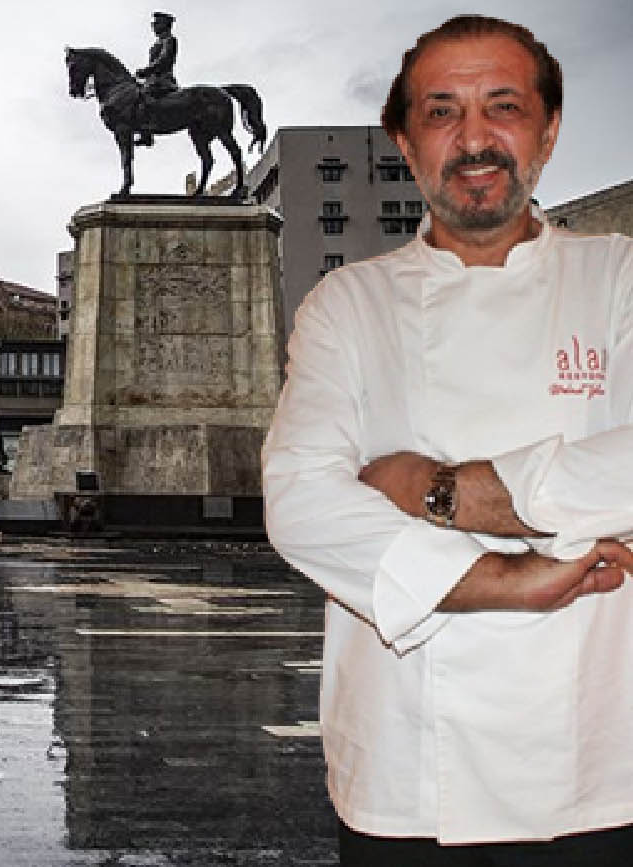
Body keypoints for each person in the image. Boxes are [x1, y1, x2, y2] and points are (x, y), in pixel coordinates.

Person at [263, 15, 633, 863]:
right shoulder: (345, 306)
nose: (474, 139)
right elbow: (300, 503)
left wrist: (447, 492)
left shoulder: (615, 275)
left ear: (547, 131)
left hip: (600, 764)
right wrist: (509, 577)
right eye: (440, 113)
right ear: (403, 139)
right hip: (406, 772)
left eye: (502, 106)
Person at [133, 11, 178, 147]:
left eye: (156, 23)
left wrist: (146, 70)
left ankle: (147, 132)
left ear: (165, 25)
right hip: (152, 80)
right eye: (153, 24)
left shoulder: (169, 40)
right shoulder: (157, 43)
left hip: (163, 80)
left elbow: (164, 60)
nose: (153, 26)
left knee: (143, 96)